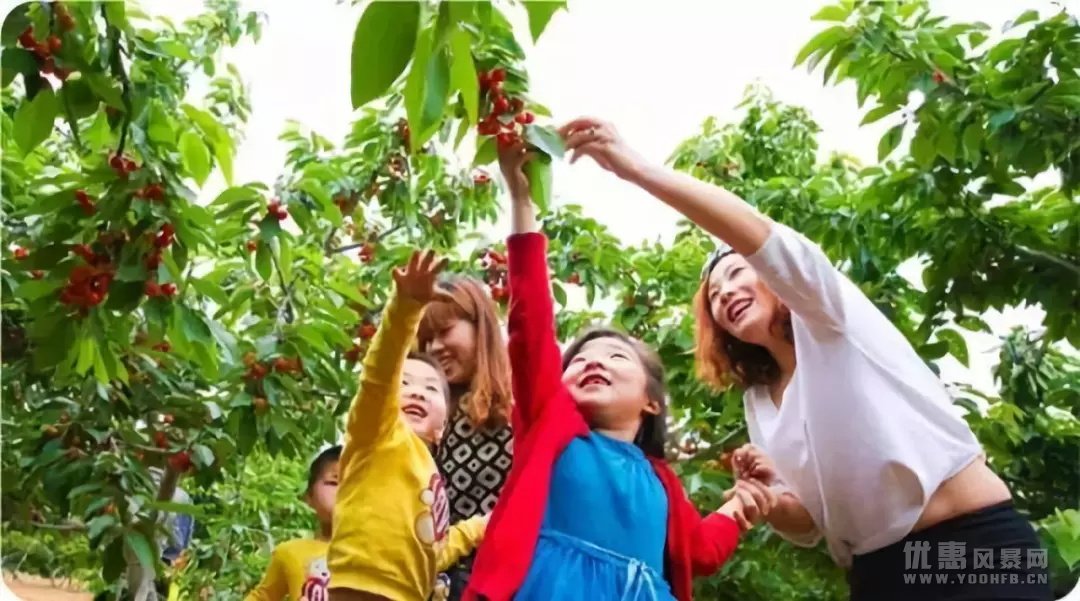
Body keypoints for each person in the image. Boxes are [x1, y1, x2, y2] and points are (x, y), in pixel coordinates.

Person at [559, 116, 1053, 601]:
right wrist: (767, 496)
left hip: (968, 546)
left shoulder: (830, 319)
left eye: (737, 272)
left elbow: (759, 235)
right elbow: (812, 524)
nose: (726, 292)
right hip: (875, 573)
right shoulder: (760, 403)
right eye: (713, 294)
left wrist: (636, 168)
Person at [463, 142, 772, 601]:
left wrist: (739, 503)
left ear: (651, 401)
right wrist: (523, 201)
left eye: (616, 357)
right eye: (579, 360)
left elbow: (701, 551)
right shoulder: (553, 426)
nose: (593, 361)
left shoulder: (662, 481)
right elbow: (531, 328)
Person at [328, 250, 490, 601]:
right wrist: (406, 308)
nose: (417, 391)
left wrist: (480, 527)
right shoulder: (378, 432)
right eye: (405, 383)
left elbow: (435, 549)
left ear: (443, 425)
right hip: (361, 586)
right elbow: (380, 372)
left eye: (431, 388)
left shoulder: (428, 472)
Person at [416, 275, 513, 599]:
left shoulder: (520, 405)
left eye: (444, 332)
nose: (434, 348)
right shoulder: (433, 420)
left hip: (512, 578)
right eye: (426, 340)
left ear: (480, 326)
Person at [245, 445, 340, 601]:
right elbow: (263, 596)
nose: (345, 490)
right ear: (309, 497)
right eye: (333, 482)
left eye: (355, 484)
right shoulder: (290, 553)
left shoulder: (382, 554)